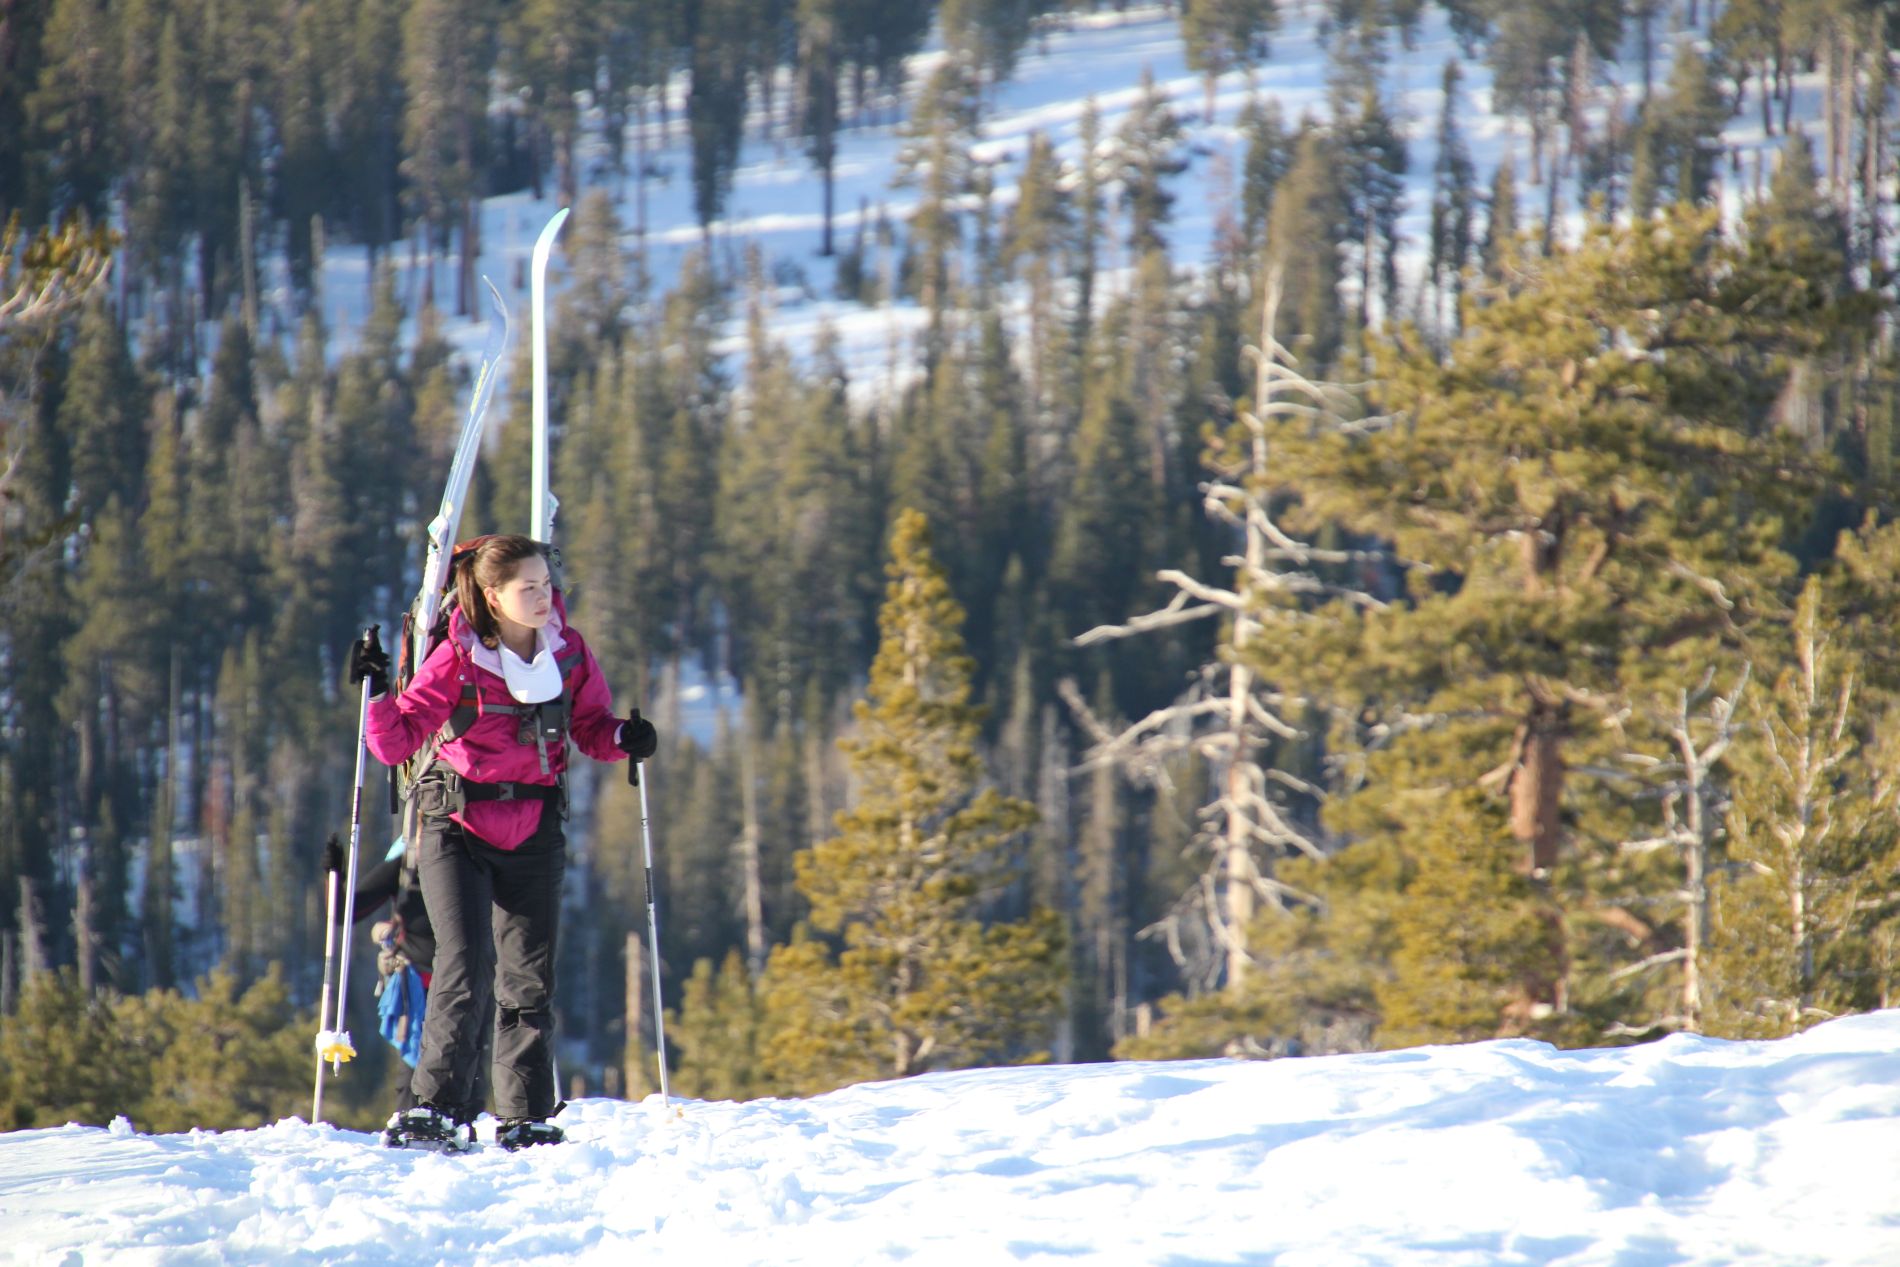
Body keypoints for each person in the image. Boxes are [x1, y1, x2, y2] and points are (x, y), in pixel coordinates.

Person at [349, 534, 657, 1150]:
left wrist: (626, 736)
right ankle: (437, 1107)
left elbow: (591, 729)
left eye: (547, 586)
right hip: (454, 825)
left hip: (535, 828)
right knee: (464, 965)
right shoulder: (457, 658)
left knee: (528, 977)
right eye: (528, 588)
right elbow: (396, 742)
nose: (543, 598)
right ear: (492, 596)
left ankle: (526, 1114)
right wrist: (379, 692)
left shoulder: (567, 655)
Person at [320, 833, 468, 1112]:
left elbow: (343, 913)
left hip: (428, 982)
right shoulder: (410, 860)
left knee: (421, 1067)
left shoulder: (409, 859)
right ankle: (432, 1127)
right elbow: (342, 912)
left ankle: (418, 1128)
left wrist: (333, 873)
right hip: (434, 984)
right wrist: (334, 875)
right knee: (443, 1067)